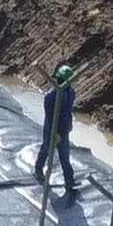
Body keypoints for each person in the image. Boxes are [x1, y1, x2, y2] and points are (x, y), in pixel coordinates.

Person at [42, 63, 80, 199]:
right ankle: (38, 169)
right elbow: (50, 115)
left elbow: (68, 111)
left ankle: (69, 182)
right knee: (46, 149)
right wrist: (54, 132)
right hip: (51, 129)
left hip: (64, 129)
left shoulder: (70, 92)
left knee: (65, 156)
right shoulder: (51, 96)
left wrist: (66, 127)